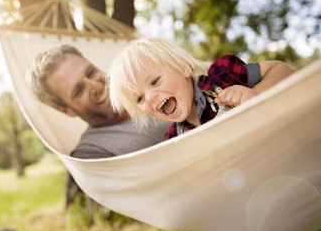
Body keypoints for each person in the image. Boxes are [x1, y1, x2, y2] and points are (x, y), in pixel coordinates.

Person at [27, 44, 169, 220]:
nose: (96, 85)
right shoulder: (91, 154)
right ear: (66, 110)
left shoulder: (151, 86)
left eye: (90, 72)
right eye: (78, 90)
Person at [108, 37, 294, 139]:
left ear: (184, 68)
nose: (149, 97)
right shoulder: (175, 140)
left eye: (155, 81)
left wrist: (255, 95)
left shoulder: (222, 77)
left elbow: (282, 69)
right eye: (139, 98)